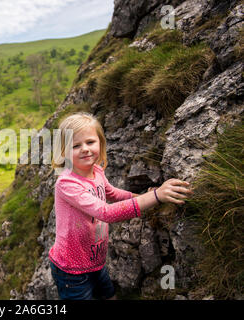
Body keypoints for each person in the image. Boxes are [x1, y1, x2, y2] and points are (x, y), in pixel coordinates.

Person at [49, 112, 193, 300]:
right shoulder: (67, 184)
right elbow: (105, 212)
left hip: (96, 261)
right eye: (75, 146)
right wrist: (156, 196)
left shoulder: (97, 171)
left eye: (90, 142)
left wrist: (144, 196)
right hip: (71, 271)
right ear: (63, 152)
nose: (85, 149)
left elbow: (113, 194)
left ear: (100, 143)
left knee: (108, 295)